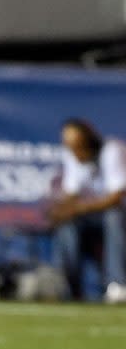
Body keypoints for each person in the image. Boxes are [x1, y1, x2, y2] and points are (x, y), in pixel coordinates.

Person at [48, 118, 126, 303]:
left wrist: (81, 207)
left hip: (119, 215)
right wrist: (61, 210)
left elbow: (116, 198)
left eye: (78, 145)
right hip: (91, 217)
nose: (75, 151)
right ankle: (68, 287)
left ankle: (117, 285)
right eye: (70, 146)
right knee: (67, 224)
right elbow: (71, 193)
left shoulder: (111, 150)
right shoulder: (71, 156)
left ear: (88, 141)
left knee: (113, 218)